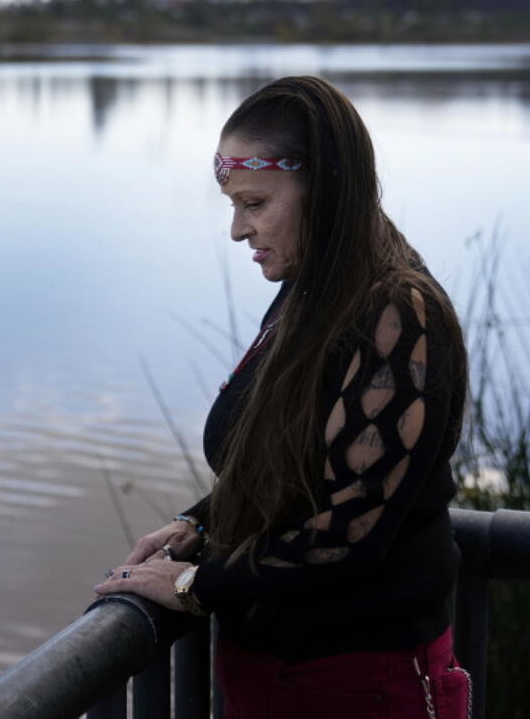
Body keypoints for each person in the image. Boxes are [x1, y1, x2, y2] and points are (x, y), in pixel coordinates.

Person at [93, 76, 472, 718]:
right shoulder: (313, 288)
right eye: (234, 204)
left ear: (323, 186)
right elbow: (296, 458)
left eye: (256, 203)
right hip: (277, 674)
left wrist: (193, 584)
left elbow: (351, 531)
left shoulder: (396, 312)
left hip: (362, 684)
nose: (238, 229)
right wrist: (201, 523)